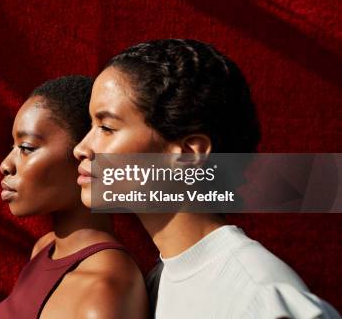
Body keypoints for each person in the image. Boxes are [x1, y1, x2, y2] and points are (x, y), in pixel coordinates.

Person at [73, 40, 340, 318]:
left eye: (106, 127)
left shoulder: (262, 299)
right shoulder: (156, 284)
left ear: (188, 154)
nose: (80, 148)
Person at [0, 76, 148, 319]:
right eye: (13, 147)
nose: (6, 165)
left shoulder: (105, 289)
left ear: (84, 153)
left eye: (27, 148)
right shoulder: (45, 248)